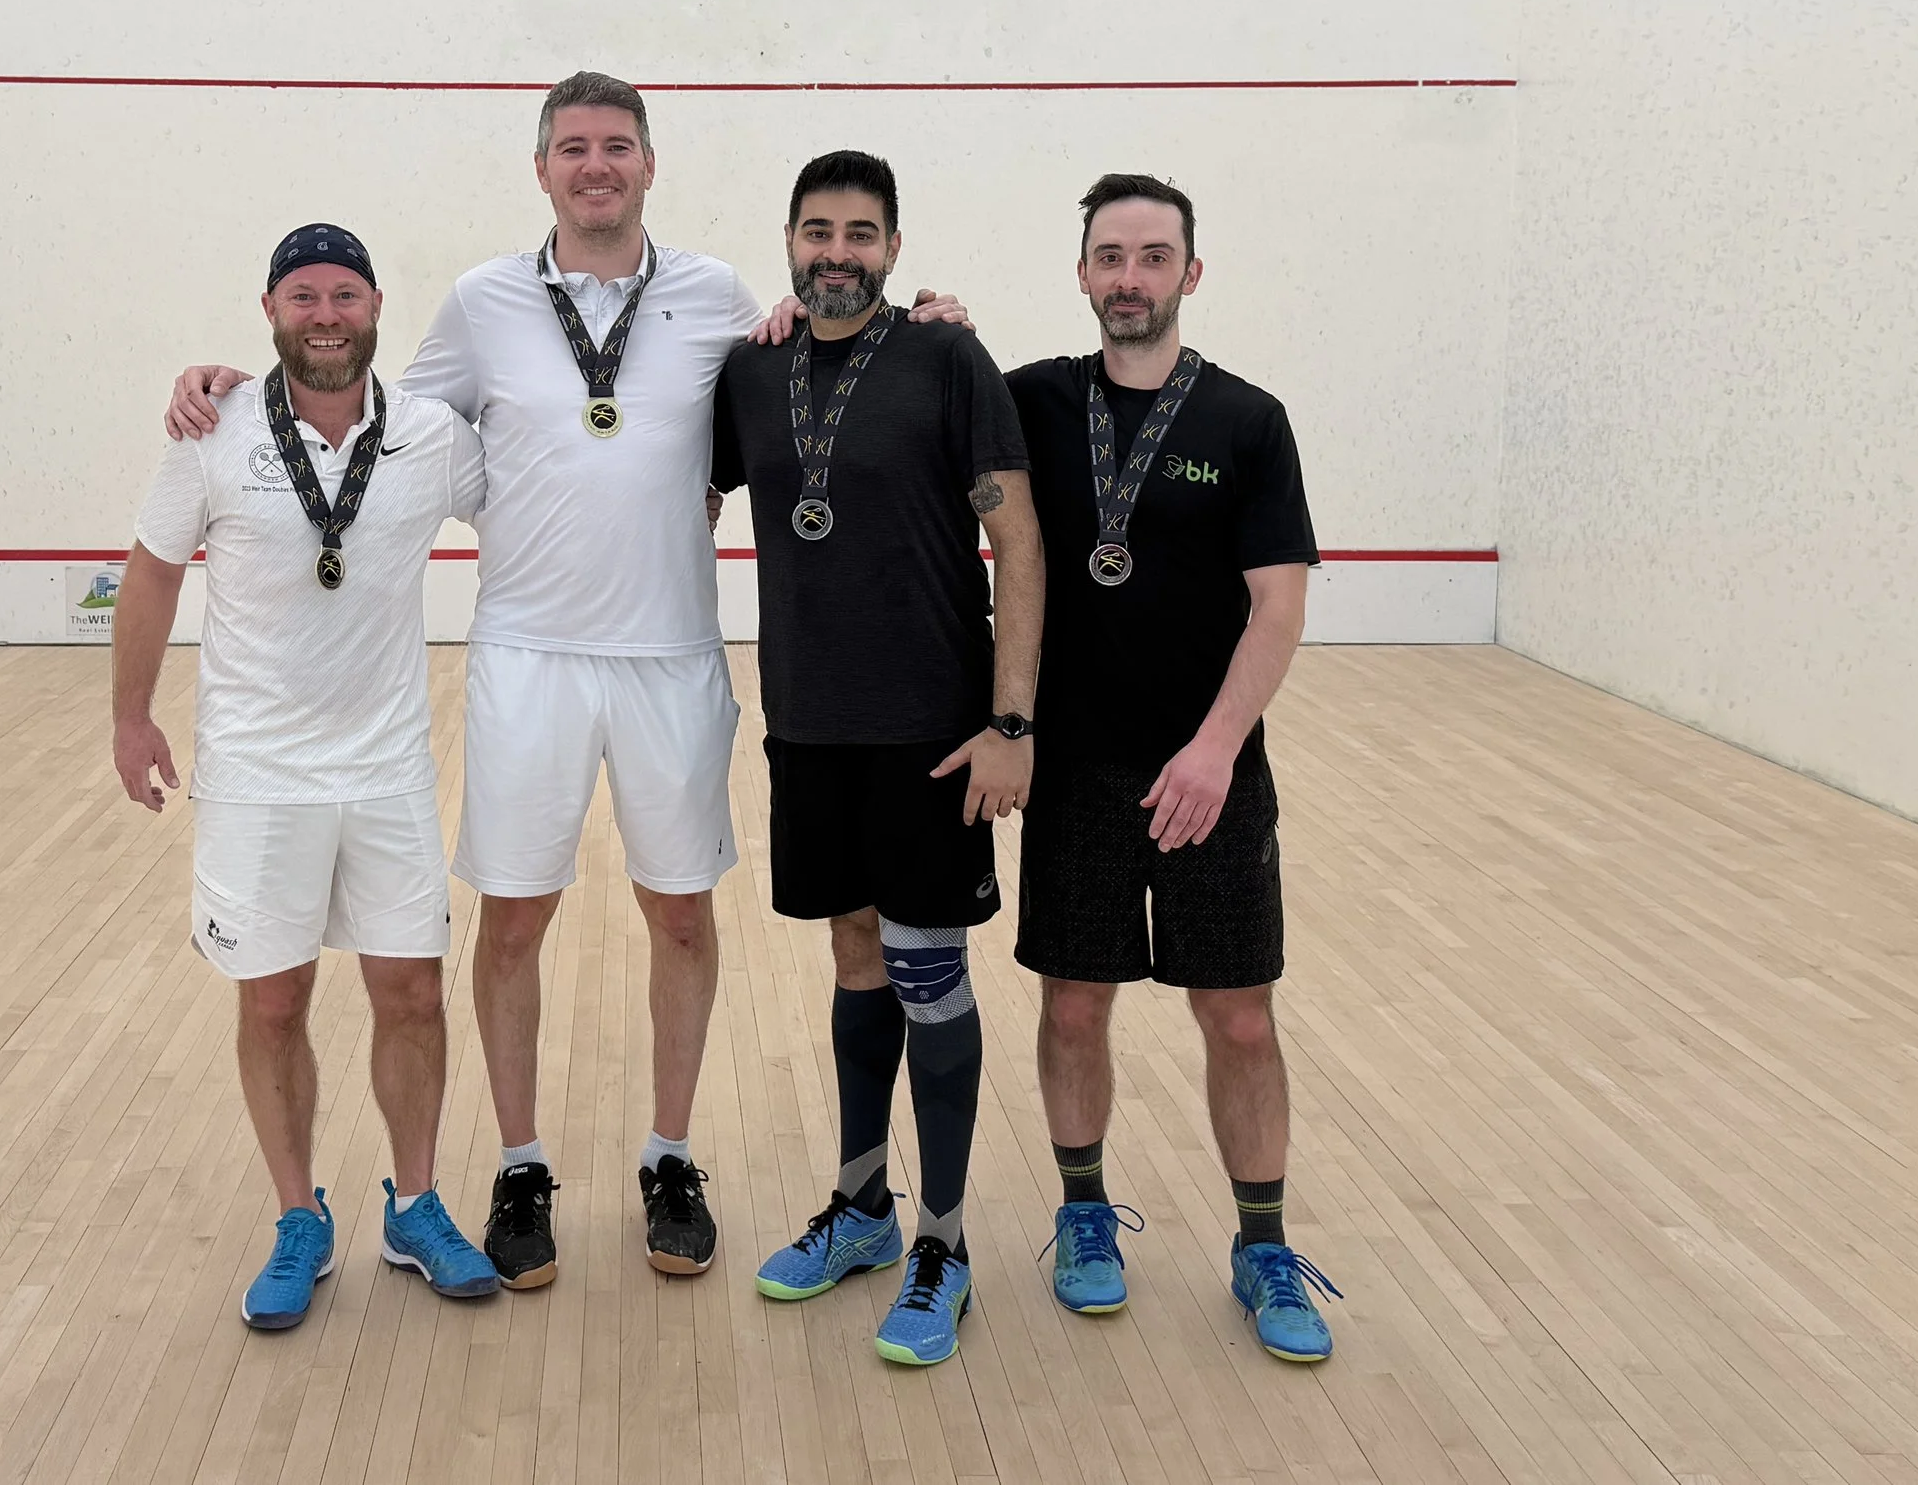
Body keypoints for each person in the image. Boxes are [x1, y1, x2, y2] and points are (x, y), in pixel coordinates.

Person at [161, 76, 972, 1288]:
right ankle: (521, 1167)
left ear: (649, 165)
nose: (597, 165)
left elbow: (826, 354)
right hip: (525, 658)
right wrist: (234, 389)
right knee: (514, 918)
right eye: (575, 147)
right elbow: (375, 412)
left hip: (671, 657)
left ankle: (669, 1159)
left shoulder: (716, 296)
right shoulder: (482, 301)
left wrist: (927, 320)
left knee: (680, 914)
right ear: (542, 168)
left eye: (618, 146)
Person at [112, 224, 500, 1332]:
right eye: (303, 297)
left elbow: (544, 489)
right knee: (274, 999)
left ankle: (415, 1206)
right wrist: (130, 716)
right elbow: (150, 574)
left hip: (387, 769)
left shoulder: (433, 435)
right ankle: (298, 1217)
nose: (325, 316)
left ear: (375, 306)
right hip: (256, 776)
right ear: (271, 311)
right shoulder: (213, 430)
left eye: (343, 296)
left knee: (411, 993)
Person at [711, 151, 1044, 1367]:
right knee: (855, 950)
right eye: (818, 232)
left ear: (894, 249)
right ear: (789, 243)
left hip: (929, 731)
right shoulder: (751, 370)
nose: (837, 253)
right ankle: (861, 1209)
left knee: (924, 961)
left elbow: (1018, 539)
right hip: (807, 723)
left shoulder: (950, 359)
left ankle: (942, 1245)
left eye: (860, 234)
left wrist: (1012, 724)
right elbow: (672, 485)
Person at [1003, 174, 1341, 1361]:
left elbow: (1277, 608)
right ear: (1081, 272)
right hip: (1075, 773)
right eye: (1110, 256)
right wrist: (914, 318)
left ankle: (1263, 1247)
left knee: (1238, 1019)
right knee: (1072, 1004)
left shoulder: (1248, 421)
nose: (1130, 278)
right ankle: (1084, 1216)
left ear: (1190, 273)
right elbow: (922, 400)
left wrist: (1212, 747)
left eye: (1153, 257)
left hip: (1212, 774)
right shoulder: (1032, 401)